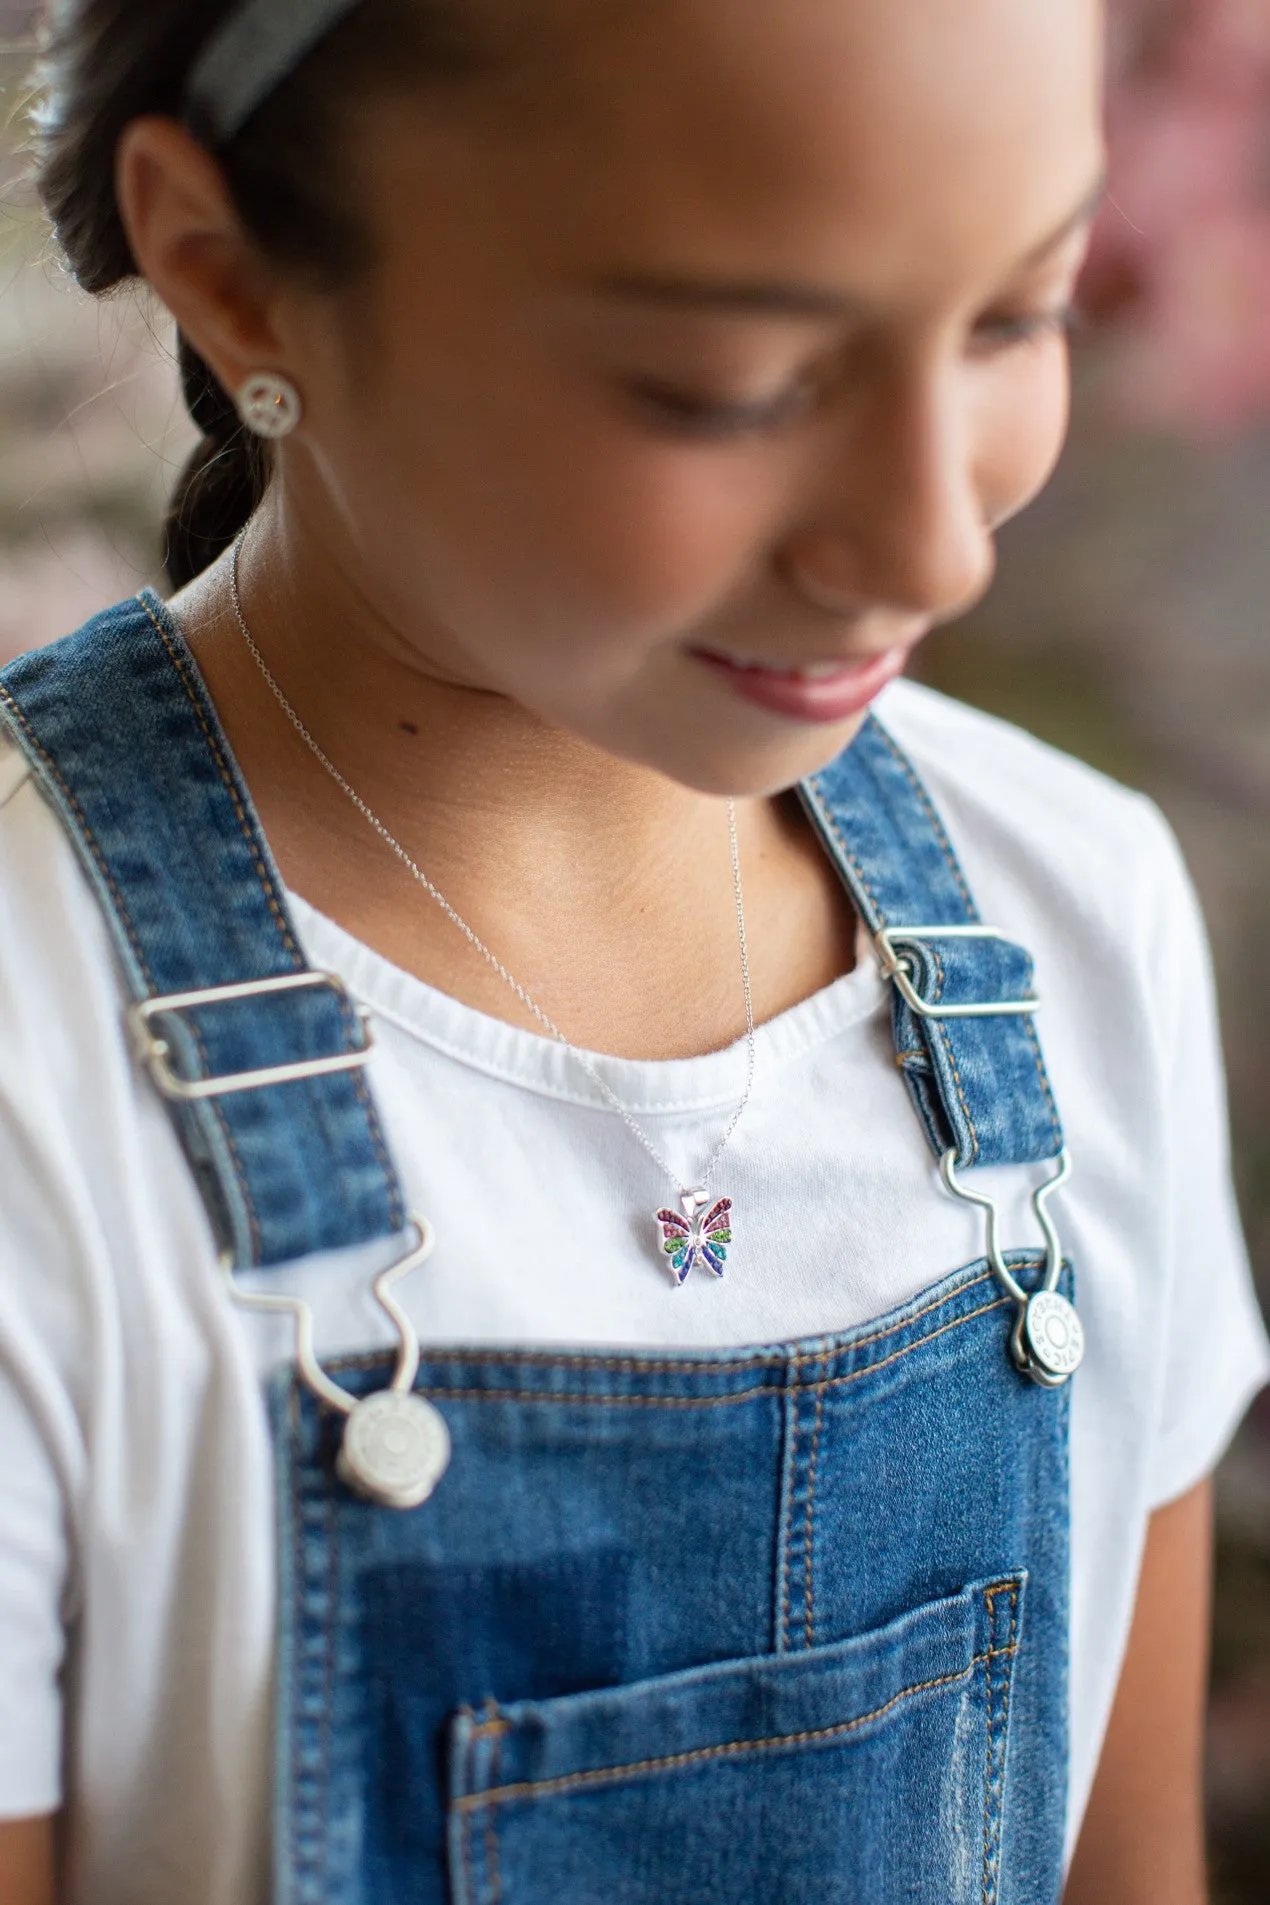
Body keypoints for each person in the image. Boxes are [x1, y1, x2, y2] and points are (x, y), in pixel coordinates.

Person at [0, 0, 1266, 1900]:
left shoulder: (1068, 906)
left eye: (1020, 312)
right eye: (728, 383)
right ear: (230, 274)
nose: (932, 548)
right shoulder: (41, 1064)